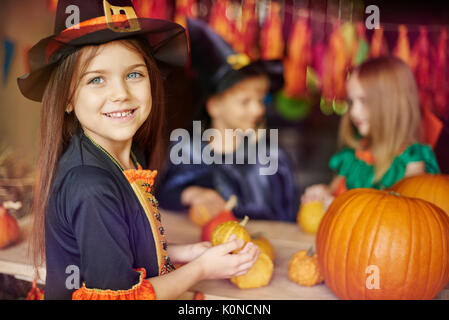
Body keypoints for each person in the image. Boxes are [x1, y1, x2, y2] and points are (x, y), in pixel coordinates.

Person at [19, 0, 259, 300]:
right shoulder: (91, 186)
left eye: (134, 74)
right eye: (96, 79)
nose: (121, 93)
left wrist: (188, 254)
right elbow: (120, 297)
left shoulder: (129, 158)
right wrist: (201, 270)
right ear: (67, 98)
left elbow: (121, 250)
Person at [155, 18, 300, 222]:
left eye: (260, 99)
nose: (258, 109)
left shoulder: (273, 156)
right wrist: (191, 194)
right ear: (214, 106)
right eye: (245, 101)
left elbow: (291, 216)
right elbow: (161, 196)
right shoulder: (186, 150)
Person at [301, 56, 440, 207]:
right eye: (351, 101)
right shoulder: (353, 157)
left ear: (393, 104)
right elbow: (332, 196)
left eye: (364, 101)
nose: (353, 112)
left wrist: (337, 206)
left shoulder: (412, 163)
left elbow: (402, 220)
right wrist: (322, 195)